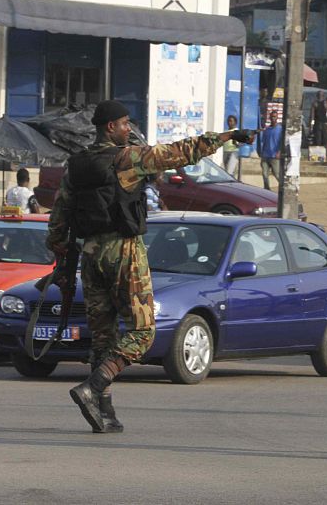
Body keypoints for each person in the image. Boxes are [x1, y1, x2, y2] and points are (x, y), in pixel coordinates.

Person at [46, 99, 251, 433]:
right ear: (110, 127)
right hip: (124, 250)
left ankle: (104, 412)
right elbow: (180, 152)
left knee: (103, 339)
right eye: (125, 123)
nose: (129, 129)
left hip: (91, 254)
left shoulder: (76, 165)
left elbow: (59, 217)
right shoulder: (127, 158)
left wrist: (61, 261)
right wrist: (226, 136)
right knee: (142, 333)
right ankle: (93, 388)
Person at [258, 111, 282, 190]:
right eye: (272, 116)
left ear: (277, 118)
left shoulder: (280, 129)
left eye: (274, 116)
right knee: (264, 174)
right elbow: (263, 142)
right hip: (265, 155)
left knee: (277, 174)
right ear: (269, 117)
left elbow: (282, 142)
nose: (273, 118)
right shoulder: (267, 129)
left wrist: (279, 152)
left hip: (274, 156)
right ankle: (267, 189)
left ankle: (283, 188)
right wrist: (261, 154)